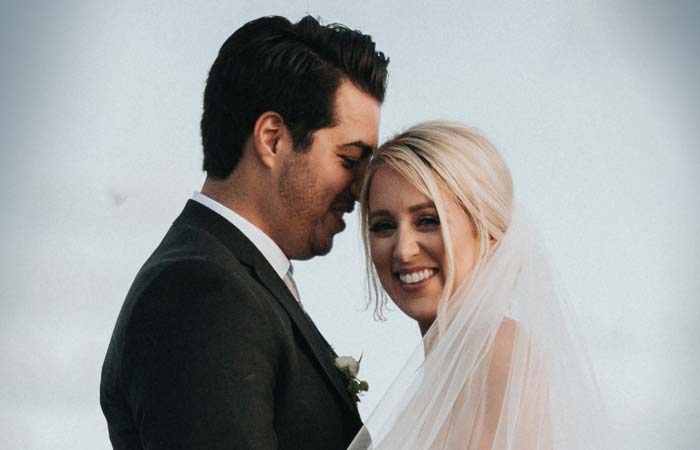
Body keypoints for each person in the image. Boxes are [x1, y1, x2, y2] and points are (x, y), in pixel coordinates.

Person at [100, 15, 389, 449]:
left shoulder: (232, 280)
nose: (364, 190)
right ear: (272, 139)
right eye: (349, 159)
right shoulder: (199, 292)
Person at [349, 122, 604, 449]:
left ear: (489, 232)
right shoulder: (439, 377)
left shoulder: (502, 352)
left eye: (428, 220)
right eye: (383, 226)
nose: (403, 249)